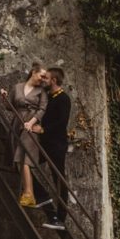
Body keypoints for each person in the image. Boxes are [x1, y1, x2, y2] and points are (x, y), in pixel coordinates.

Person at [0, 62, 47, 207]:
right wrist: (4, 97)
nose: (43, 79)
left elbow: (42, 109)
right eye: (42, 76)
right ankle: (29, 194)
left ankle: (28, 194)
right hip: (17, 123)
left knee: (24, 156)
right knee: (19, 157)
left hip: (30, 127)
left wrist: (31, 123)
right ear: (33, 72)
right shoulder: (17, 87)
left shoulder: (42, 92)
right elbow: (10, 107)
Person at [34, 66, 71, 230]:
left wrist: (43, 129)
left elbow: (61, 122)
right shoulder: (49, 97)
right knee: (24, 162)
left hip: (56, 146)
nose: (44, 80)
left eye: (47, 78)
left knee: (59, 179)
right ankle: (41, 195)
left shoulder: (63, 99)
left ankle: (60, 219)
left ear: (54, 81)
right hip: (45, 145)